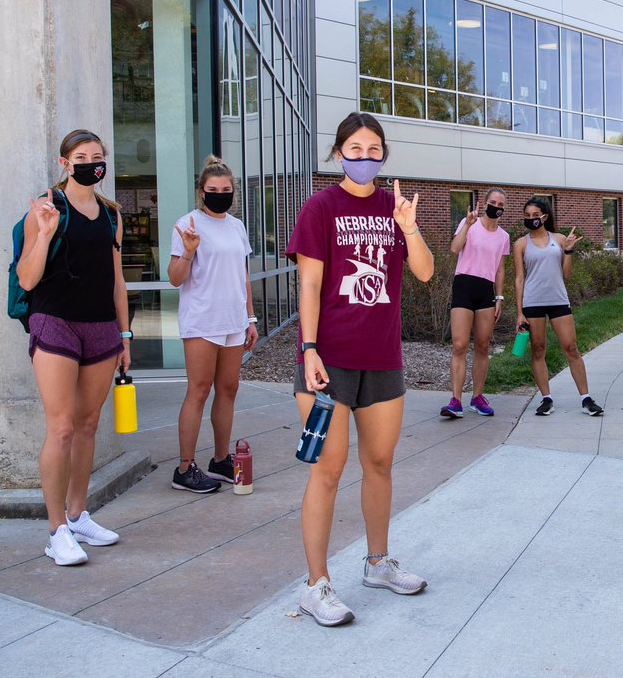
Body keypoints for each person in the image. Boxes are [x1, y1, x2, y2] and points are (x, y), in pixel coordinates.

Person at [285, 111, 434, 627]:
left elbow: (425, 271)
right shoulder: (321, 207)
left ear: (384, 155)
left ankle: (377, 563)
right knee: (327, 469)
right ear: (337, 153)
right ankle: (316, 585)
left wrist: (410, 230)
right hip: (328, 361)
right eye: (355, 148)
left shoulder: (397, 211)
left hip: (382, 359)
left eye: (375, 150)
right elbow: (308, 285)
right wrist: (308, 348)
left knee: (379, 463)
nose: (365, 158)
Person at [17, 129, 129, 565]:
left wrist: (125, 336)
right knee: (61, 427)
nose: (91, 163)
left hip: (101, 326)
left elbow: (117, 281)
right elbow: (27, 279)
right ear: (64, 163)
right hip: (55, 322)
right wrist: (44, 233)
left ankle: (79, 514)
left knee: (87, 426)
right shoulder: (48, 207)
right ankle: (56, 530)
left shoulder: (110, 214)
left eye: (97, 156)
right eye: (81, 156)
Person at [167, 156, 258, 493]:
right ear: (201, 192)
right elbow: (175, 279)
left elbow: (243, 277)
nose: (220, 194)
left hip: (234, 321)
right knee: (199, 390)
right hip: (203, 321)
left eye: (226, 190)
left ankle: (220, 460)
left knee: (229, 389)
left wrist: (250, 319)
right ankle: (184, 468)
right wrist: (189, 252)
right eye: (213, 190)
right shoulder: (188, 224)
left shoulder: (236, 226)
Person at [513, 198, 605, 417]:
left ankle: (586, 399)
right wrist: (519, 313)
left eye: (536, 215)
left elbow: (566, 275)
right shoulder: (521, 244)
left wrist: (569, 251)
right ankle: (546, 399)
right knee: (538, 350)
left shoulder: (560, 239)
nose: (532, 219)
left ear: (545, 216)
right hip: (533, 302)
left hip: (558, 300)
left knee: (571, 348)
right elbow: (519, 279)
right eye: (528, 216)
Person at [440, 189, 510, 419]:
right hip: (463, 285)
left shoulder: (503, 237)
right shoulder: (469, 223)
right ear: (485, 203)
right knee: (459, 345)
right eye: (492, 202)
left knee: (482, 345)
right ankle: (455, 401)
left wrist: (499, 297)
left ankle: (478, 397)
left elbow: (500, 269)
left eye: (500, 203)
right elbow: (454, 248)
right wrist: (468, 225)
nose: (496, 206)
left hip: (485, 291)